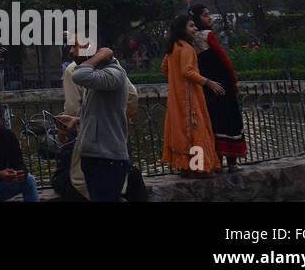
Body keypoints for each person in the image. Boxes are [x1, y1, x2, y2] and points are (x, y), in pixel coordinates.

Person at [59, 36, 141, 201]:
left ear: (90, 46)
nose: (71, 51)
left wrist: (102, 54)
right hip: (94, 157)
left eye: (76, 46)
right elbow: (99, 112)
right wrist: (76, 120)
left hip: (107, 159)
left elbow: (78, 75)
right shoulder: (96, 74)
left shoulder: (113, 73)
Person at [160, 14, 221, 175]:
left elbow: (164, 68)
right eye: (191, 26)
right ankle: (198, 167)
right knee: (196, 130)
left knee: (181, 132)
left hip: (176, 97)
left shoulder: (173, 48)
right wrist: (208, 82)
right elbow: (187, 71)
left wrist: (175, 82)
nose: (195, 29)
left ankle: (184, 167)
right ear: (182, 29)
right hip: (189, 97)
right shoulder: (186, 48)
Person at [189, 3, 246, 170]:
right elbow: (224, 59)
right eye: (205, 15)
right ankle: (232, 162)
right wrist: (234, 82)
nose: (209, 17)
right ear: (197, 18)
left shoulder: (191, 39)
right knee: (229, 119)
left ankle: (216, 161)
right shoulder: (209, 35)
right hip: (222, 83)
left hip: (206, 85)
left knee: (213, 122)